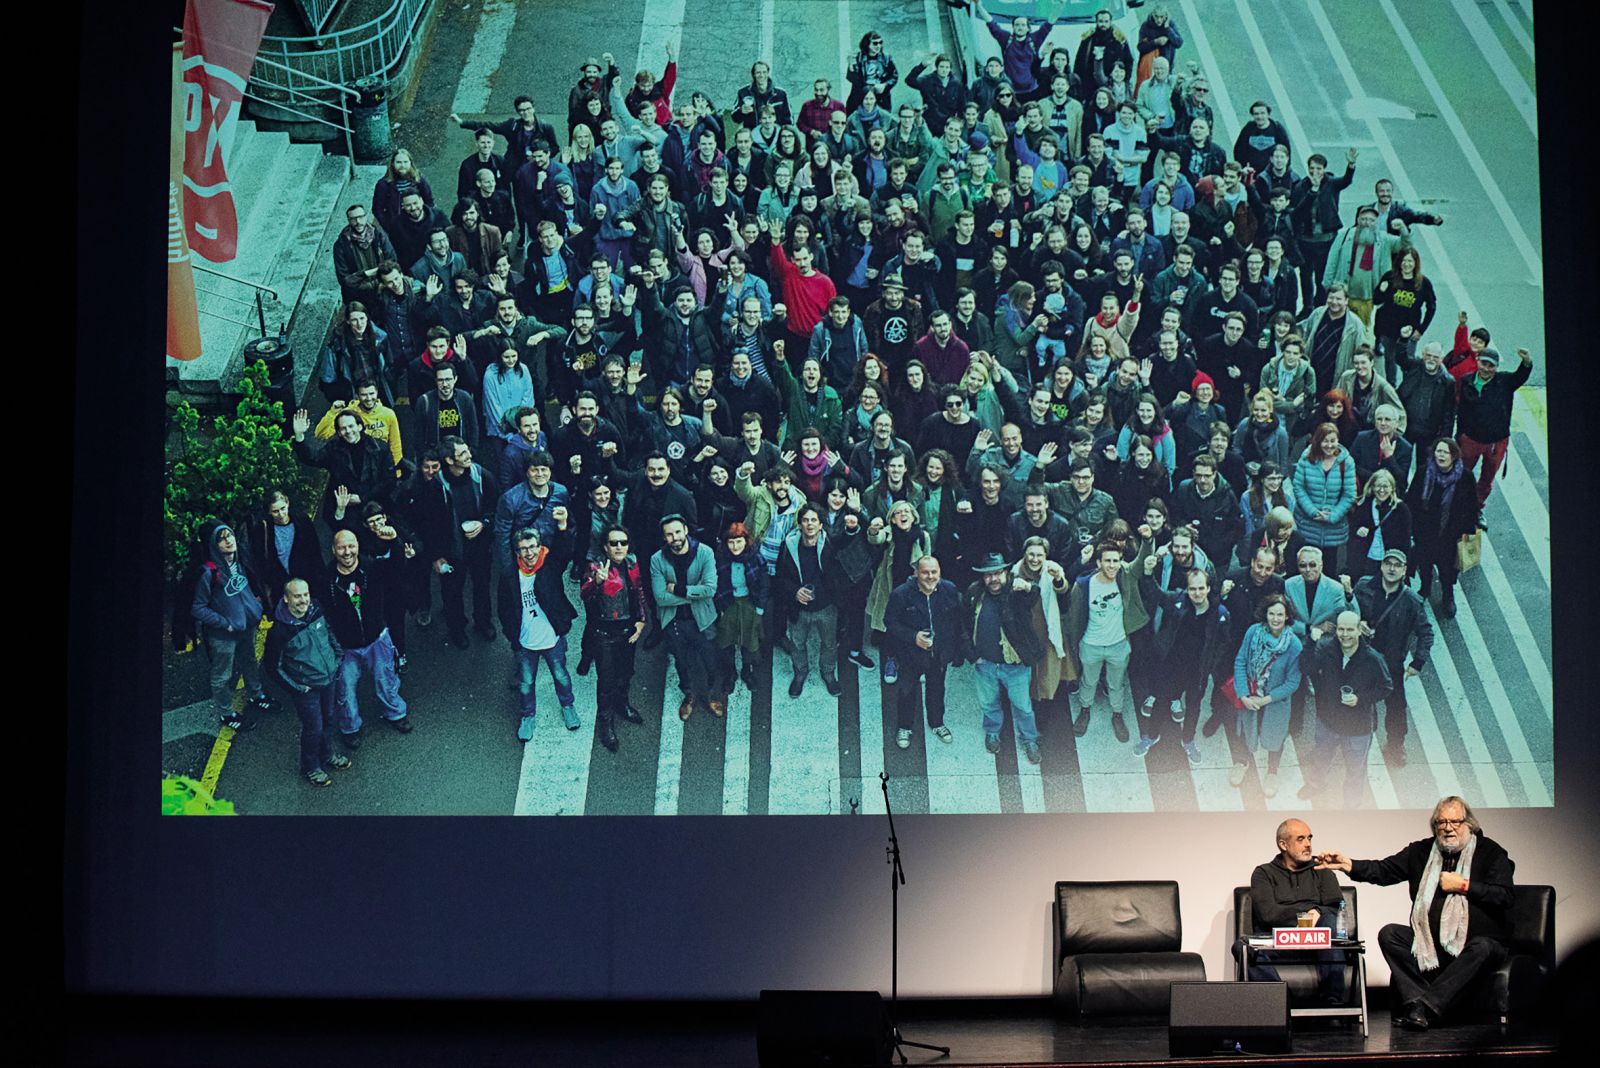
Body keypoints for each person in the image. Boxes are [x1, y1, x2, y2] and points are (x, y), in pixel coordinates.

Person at [1316, 797, 1516, 1031]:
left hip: (1479, 944)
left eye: (1455, 821)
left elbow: (1505, 896)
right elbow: (1384, 870)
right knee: (1390, 934)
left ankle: (1425, 1007)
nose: (1448, 828)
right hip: (1433, 945)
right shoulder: (1421, 852)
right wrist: (1348, 864)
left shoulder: (1490, 852)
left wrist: (1463, 885)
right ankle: (1418, 1004)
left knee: (1482, 946)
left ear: (1468, 824)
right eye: (1441, 822)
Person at [1244, 818, 1348, 1005]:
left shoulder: (1322, 870)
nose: (1308, 844)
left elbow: (1335, 906)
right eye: (1301, 839)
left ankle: (1332, 1000)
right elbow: (1268, 914)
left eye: (1309, 838)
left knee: (1328, 921)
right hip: (1281, 943)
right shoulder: (1263, 873)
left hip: (1318, 944)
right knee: (1242, 947)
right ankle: (1281, 1000)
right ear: (1283, 844)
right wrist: (1310, 912)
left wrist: (1319, 911)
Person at [323, 529, 411, 748]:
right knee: (345, 687)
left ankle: (395, 713)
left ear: (358, 547)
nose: (347, 552)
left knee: (386, 678)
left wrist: (395, 542)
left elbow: (398, 568)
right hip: (346, 647)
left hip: (377, 639)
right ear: (333, 549)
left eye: (351, 546)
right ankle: (350, 727)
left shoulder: (371, 568)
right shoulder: (326, 579)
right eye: (342, 547)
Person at [262, 578, 352, 787]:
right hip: (307, 689)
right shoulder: (278, 631)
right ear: (286, 599)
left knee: (329, 719)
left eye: (305, 594)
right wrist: (297, 688)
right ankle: (310, 767)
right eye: (297, 596)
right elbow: (272, 668)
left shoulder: (316, 608)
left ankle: (327, 755)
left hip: (328, 678)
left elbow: (329, 632)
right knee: (314, 728)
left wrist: (337, 657)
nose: (303, 600)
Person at [1297, 609, 1392, 807]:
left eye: (1350, 629)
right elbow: (1306, 667)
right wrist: (1310, 642)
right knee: (1321, 757)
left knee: (1355, 769)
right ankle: (1316, 784)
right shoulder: (1325, 650)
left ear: (1359, 630)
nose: (1345, 634)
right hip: (1327, 721)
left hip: (1357, 729)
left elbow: (1386, 688)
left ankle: (1351, 803)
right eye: (1341, 629)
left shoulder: (1373, 659)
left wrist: (1360, 699)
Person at [1347, 549, 1432, 765]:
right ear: (1382, 566)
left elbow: (1426, 632)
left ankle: (1395, 745)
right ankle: (1356, 739)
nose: (1392, 568)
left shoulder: (1411, 600)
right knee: (1360, 702)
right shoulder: (1364, 587)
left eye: (1397, 565)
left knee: (1395, 706)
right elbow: (1348, 610)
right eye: (1388, 563)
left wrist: (1417, 662)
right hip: (1363, 658)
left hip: (1391, 663)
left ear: (1404, 570)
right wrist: (1358, 624)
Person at [498, 521, 578, 742]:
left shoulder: (549, 567)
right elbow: (503, 610)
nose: (529, 552)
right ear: (517, 552)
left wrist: (563, 526)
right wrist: (512, 637)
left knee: (561, 675)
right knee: (525, 683)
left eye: (533, 546)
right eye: (523, 549)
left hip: (552, 639)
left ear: (540, 546)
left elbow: (565, 549)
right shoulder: (510, 576)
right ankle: (527, 716)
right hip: (525, 643)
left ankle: (568, 705)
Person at [190, 520, 274, 732]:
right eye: (222, 539)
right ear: (213, 545)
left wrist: (257, 604)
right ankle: (226, 713)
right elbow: (197, 608)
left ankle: (256, 695)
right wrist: (224, 624)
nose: (229, 541)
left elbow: (251, 584)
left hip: (247, 626)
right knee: (222, 676)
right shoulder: (208, 573)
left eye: (230, 536)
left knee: (250, 661)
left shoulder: (241, 560)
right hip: (223, 636)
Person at [1066, 539, 1151, 742]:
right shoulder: (1084, 585)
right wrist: (1075, 644)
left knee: (1116, 683)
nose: (1112, 565)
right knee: (1088, 681)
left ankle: (1117, 714)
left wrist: (1148, 540)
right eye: (1107, 561)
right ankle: (1085, 710)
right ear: (1098, 563)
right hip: (1091, 644)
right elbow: (1074, 618)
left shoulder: (1125, 577)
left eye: (1116, 560)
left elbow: (1141, 562)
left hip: (1118, 644)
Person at [884, 555, 966, 750]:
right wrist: (914, 637)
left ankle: (937, 723)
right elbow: (890, 622)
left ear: (939, 572)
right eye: (925, 572)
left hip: (938, 655)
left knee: (937, 690)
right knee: (907, 692)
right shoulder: (901, 594)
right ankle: (905, 726)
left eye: (934, 572)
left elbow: (957, 620)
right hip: (910, 655)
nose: (930, 576)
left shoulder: (949, 590)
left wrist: (956, 650)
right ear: (916, 573)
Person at [580, 524, 649, 751]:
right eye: (614, 543)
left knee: (626, 672)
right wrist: (597, 582)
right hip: (604, 633)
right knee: (606, 680)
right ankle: (606, 723)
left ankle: (623, 704)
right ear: (605, 547)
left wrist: (641, 619)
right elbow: (586, 596)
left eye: (623, 542)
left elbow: (638, 591)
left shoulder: (632, 563)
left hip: (627, 630)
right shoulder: (595, 567)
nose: (619, 547)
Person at [1229, 591, 1302, 796]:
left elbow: (1293, 682)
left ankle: (1272, 772)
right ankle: (1241, 761)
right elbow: (1241, 661)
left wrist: (1265, 700)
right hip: (1250, 694)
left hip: (1275, 701)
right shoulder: (1253, 632)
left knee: (1276, 736)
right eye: (1272, 614)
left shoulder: (1293, 645)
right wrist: (1243, 695)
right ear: (1265, 614)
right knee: (1244, 729)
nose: (1275, 619)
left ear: (1287, 616)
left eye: (1280, 614)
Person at [653, 515, 722, 719]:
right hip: (674, 621)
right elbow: (660, 598)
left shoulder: (705, 553)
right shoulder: (657, 559)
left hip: (702, 620)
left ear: (685, 530)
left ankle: (712, 694)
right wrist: (693, 595)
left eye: (677, 532)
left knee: (711, 660)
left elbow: (710, 590)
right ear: (664, 538)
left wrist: (678, 590)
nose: (674, 537)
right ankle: (689, 694)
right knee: (681, 662)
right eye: (669, 534)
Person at [1453, 339, 1534, 507]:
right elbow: (1462, 411)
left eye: (1491, 366)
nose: (1486, 369)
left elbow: (1521, 375)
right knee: (1463, 474)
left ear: (1496, 368)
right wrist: (1459, 436)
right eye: (1483, 363)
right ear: (1477, 361)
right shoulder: (1467, 380)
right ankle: (1461, 505)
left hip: (1496, 443)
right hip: (1470, 440)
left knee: (1487, 479)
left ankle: (1477, 506)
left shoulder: (1504, 381)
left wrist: (1526, 362)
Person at [1405, 437, 1480, 619]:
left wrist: (1467, 532)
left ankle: (1448, 596)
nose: (1441, 455)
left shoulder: (1465, 477)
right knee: (1425, 564)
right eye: (1438, 451)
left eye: (1446, 452)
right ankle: (1425, 589)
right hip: (1426, 532)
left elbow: (1472, 507)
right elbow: (1412, 499)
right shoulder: (1424, 472)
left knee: (1447, 570)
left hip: (1450, 535)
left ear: (1454, 456)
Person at [774, 504, 840, 698]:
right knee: (797, 644)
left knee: (829, 643)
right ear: (800, 525)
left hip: (826, 607)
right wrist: (795, 591)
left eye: (814, 520)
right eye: (805, 520)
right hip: (799, 608)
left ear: (821, 525)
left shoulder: (830, 544)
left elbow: (838, 574)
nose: (809, 524)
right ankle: (800, 672)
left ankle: (828, 673)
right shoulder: (789, 545)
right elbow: (780, 576)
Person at [252, 490, 326, 608]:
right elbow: (261, 560)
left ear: (288, 504)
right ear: (269, 512)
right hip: (281, 582)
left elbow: (315, 551)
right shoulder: (263, 529)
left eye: (283, 508)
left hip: (306, 579)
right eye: (275, 511)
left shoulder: (302, 521)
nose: (281, 514)